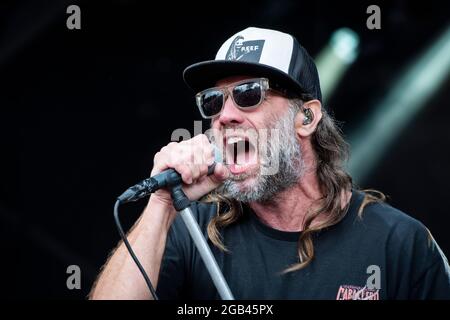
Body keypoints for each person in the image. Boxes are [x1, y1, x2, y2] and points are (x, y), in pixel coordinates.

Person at [90, 27, 450, 300]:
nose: (224, 116)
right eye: (213, 101)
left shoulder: (399, 243)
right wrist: (162, 204)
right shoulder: (192, 232)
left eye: (249, 94)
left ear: (306, 118)